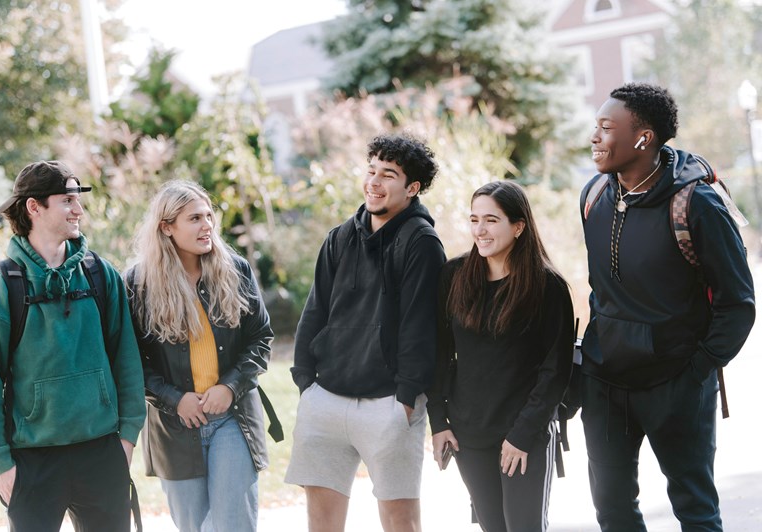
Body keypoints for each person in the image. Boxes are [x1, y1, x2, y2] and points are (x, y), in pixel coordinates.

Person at [580, 82, 756, 530]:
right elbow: (599, 289)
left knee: (695, 511)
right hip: (605, 383)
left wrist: (696, 370)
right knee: (613, 511)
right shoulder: (593, 196)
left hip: (675, 383)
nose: (594, 137)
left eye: (605, 127)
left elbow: (738, 303)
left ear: (643, 138)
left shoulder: (696, 203)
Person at [0, 160, 146, 531]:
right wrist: (1, 466)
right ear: (34, 207)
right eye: (67, 200)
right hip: (32, 462)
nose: (78, 209)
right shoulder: (0, 290)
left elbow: (127, 361)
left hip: (102, 454)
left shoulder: (101, 276)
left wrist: (126, 438)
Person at [285, 133, 446, 532]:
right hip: (326, 399)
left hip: (388, 404)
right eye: (371, 170)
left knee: (400, 522)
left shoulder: (421, 243)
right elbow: (315, 310)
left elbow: (421, 327)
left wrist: (406, 399)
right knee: (321, 523)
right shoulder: (340, 237)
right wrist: (306, 382)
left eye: (388, 175)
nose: (373, 182)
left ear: (412, 188)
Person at [124, 180, 274, 532]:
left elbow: (260, 338)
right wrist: (174, 400)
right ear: (166, 227)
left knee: (234, 525)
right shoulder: (137, 284)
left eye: (209, 216)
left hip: (232, 418)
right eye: (194, 218)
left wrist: (231, 387)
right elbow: (130, 361)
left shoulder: (235, 270)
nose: (207, 225)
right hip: (175, 426)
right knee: (194, 527)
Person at [427, 181, 574, 532]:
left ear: (518, 226)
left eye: (491, 220)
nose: (480, 230)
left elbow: (556, 370)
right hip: (469, 434)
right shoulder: (454, 276)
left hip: (524, 435)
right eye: (474, 219)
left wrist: (522, 435)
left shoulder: (547, 287)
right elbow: (439, 353)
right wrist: (439, 421)